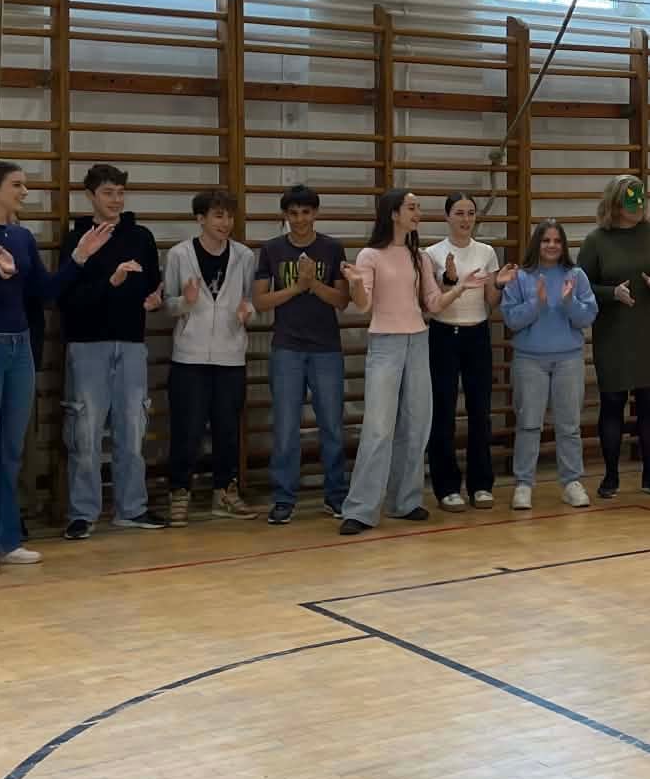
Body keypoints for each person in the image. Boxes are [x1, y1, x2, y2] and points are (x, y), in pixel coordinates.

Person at [0, 159, 113, 576]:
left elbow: (45, 290)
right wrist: (0, 277)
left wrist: (79, 257)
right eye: (17, 185)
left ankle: (5, 541)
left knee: (10, 452)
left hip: (19, 348)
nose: (24, 192)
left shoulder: (21, 236)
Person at [342, 188, 481, 535]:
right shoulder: (370, 255)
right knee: (378, 427)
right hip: (385, 343)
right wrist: (356, 284)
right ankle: (360, 509)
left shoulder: (420, 258)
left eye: (418, 208)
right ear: (393, 213)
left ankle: (404, 501)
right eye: (412, 207)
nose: (418, 213)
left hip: (418, 341)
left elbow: (432, 303)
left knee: (417, 423)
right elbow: (363, 305)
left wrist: (460, 287)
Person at [57, 164, 166, 540]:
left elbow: (153, 285)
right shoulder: (77, 239)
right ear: (90, 196)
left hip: (131, 343)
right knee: (85, 432)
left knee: (133, 429)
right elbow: (67, 298)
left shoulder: (141, 237)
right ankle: (83, 512)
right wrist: (112, 282)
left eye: (120, 192)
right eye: (108, 193)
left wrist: (155, 299)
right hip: (88, 344)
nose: (116, 200)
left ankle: (131, 507)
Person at [576, 175, 650, 499]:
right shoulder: (596, 241)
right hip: (614, 334)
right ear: (614, 204)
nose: (638, 208)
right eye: (630, 202)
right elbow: (581, 285)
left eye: (641, 201)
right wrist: (612, 293)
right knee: (612, 403)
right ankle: (610, 476)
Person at [252, 185, 351, 525]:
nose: (299, 219)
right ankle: (283, 498)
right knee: (285, 428)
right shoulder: (272, 249)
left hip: (326, 348)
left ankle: (336, 496)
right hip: (287, 348)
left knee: (332, 426)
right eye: (293, 213)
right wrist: (296, 287)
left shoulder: (332, 248)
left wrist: (314, 285)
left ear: (315, 213)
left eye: (306, 212)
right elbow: (260, 301)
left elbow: (342, 300)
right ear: (285, 215)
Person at [163, 189, 259, 525]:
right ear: (200, 218)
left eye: (229, 216)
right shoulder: (179, 254)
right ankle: (179, 492)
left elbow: (250, 301)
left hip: (230, 356)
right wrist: (186, 301)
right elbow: (168, 305)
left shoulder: (244, 256)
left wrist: (248, 312)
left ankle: (225, 493)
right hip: (189, 358)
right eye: (218, 216)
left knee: (227, 429)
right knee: (187, 430)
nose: (225, 223)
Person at [501, 220, 599, 511]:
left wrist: (569, 303)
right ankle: (523, 484)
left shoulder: (576, 275)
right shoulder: (520, 277)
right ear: (537, 244)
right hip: (529, 360)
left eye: (557, 240)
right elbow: (512, 320)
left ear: (564, 245)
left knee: (569, 425)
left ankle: (571, 482)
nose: (552, 245)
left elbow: (587, 317)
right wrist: (537, 303)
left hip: (568, 358)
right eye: (546, 240)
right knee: (529, 424)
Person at [427, 193, 516, 512]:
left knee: (480, 412)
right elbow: (431, 301)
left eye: (470, 213)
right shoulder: (432, 253)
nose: (465, 219)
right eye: (459, 213)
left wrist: (500, 284)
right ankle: (447, 487)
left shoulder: (486, 252)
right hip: (443, 335)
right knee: (443, 412)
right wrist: (450, 279)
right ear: (447, 216)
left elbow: (491, 301)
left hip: (477, 334)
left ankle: (481, 484)